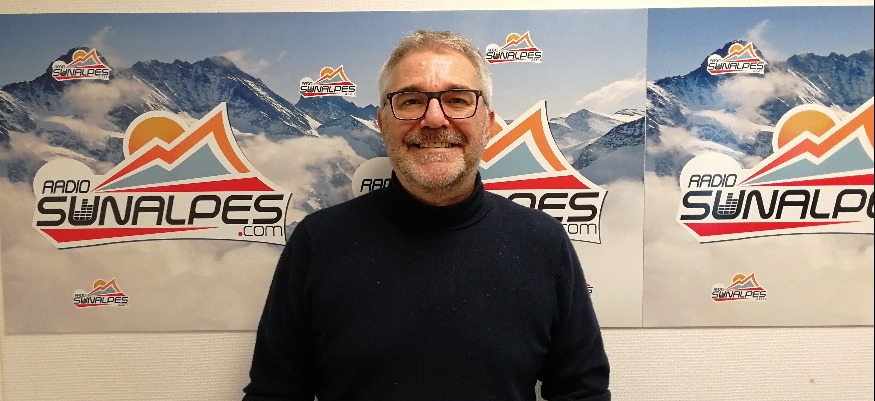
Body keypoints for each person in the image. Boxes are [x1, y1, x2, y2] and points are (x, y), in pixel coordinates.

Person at [242, 30, 611, 401]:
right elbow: (274, 394)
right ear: (382, 122)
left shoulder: (542, 243)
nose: (434, 119)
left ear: (487, 123)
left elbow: (582, 393)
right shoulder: (318, 243)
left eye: (458, 99)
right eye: (410, 100)